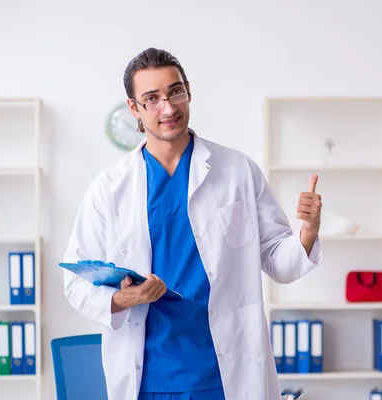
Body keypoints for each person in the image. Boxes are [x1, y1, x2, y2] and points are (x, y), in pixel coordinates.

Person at [62, 47, 323, 400]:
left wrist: (308, 231)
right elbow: (75, 283)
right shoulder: (109, 187)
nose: (168, 108)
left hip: (226, 372)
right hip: (148, 377)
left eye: (175, 92)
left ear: (189, 91)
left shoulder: (238, 171)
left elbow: (279, 262)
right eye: (151, 99)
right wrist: (124, 299)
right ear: (133, 108)